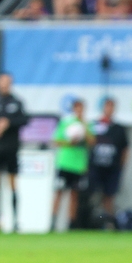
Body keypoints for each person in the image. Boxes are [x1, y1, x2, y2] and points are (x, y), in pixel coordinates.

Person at [0, 72, 27, 231]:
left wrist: (8, 123)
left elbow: (24, 120)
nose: (4, 85)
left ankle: (15, 221)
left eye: (7, 82)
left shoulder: (16, 102)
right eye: (2, 82)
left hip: (11, 149)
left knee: (13, 184)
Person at [51, 98, 94, 231]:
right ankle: (52, 222)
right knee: (59, 192)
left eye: (82, 108)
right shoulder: (66, 123)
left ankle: (71, 224)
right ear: (74, 109)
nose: (79, 111)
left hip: (78, 165)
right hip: (65, 163)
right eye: (77, 108)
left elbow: (92, 142)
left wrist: (84, 128)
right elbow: (56, 141)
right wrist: (69, 142)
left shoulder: (87, 125)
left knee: (74, 195)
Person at [89, 97, 129, 226]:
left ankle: (109, 222)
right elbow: (88, 143)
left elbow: (125, 149)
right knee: (93, 195)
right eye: (107, 106)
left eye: (112, 107)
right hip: (95, 167)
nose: (109, 109)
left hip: (112, 168)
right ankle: (91, 222)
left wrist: (121, 166)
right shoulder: (95, 125)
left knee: (109, 196)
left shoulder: (119, 128)